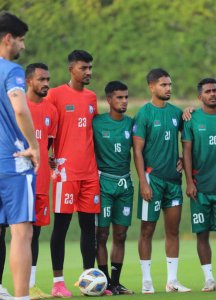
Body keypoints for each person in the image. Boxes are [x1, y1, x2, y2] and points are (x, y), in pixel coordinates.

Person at [46, 50, 100, 297]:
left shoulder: (92, 97)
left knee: (90, 228)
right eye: (83, 68)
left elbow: (92, 134)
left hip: (90, 174)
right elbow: (47, 131)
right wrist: (46, 156)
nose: (88, 72)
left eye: (90, 68)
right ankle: (58, 283)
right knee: (62, 227)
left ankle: (89, 280)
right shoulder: (55, 95)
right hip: (65, 174)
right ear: (71, 69)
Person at [133, 68, 191, 294]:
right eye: (163, 85)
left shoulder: (177, 113)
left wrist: (189, 111)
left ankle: (172, 281)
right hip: (152, 179)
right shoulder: (144, 114)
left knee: (173, 231)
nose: (168, 88)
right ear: (152, 87)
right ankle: (147, 281)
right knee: (147, 230)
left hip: (173, 182)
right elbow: (137, 152)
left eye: (169, 85)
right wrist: (144, 182)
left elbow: (185, 143)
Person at [182, 78, 216, 292]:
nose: (212, 94)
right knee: (202, 233)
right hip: (199, 189)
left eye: (215, 90)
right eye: (207, 91)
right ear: (200, 97)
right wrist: (189, 182)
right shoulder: (192, 119)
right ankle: (208, 279)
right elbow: (186, 151)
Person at [0, 11, 40, 300]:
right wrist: (34, 145)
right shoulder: (11, 70)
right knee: (22, 233)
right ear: (8, 39)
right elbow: (20, 108)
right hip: (13, 159)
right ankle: (22, 297)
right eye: (21, 40)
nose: (23, 47)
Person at [93, 81, 134, 295]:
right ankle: (105, 282)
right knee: (101, 234)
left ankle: (116, 282)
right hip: (103, 185)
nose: (124, 101)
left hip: (125, 184)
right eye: (119, 97)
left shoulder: (131, 124)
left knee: (121, 235)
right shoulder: (97, 123)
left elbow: (148, 147)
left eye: (126, 97)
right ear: (109, 99)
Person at [25, 63, 58, 299]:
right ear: (29, 82)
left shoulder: (51, 111)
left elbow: (46, 147)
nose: (46, 83)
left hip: (41, 181)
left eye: (47, 79)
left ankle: (31, 285)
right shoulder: (16, 107)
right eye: (41, 79)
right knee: (14, 233)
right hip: (18, 181)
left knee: (34, 234)